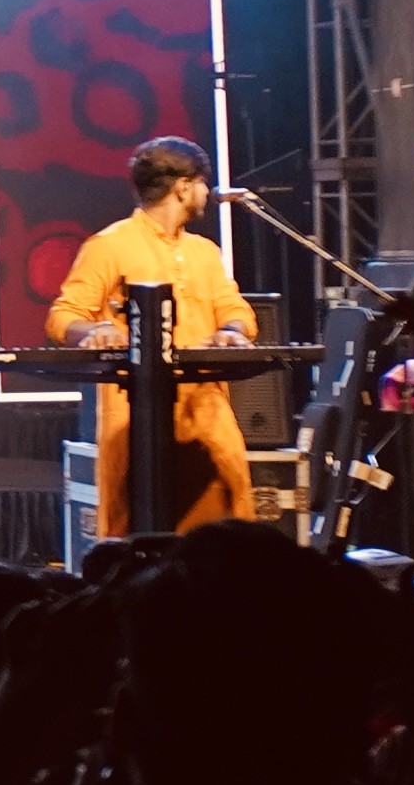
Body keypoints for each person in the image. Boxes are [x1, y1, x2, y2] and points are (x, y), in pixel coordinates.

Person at [44, 136, 256, 534]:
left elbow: (235, 310)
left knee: (221, 542)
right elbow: (64, 315)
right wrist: (97, 329)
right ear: (183, 186)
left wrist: (231, 332)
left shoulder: (204, 252)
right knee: (140, 536)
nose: (206, 194)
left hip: (207, 416)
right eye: (202, 184)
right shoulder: (110, 245)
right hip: (137, 420)